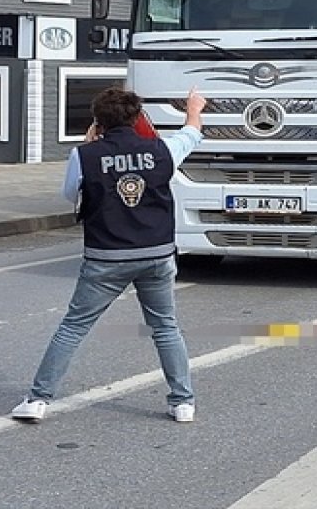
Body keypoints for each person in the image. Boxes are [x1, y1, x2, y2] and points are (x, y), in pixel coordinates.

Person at [12, 86, 205, 424]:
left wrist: (90, 148)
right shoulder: (161, 150)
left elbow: (71, 194)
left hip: (106, 257)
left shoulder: (84, 156)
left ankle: (38, 399)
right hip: (156, 254)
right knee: (165, 327)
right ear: (137, 117)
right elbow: (190, 135)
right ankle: (183, 402)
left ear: (97, 122)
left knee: (73, 327)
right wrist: (193, 109)